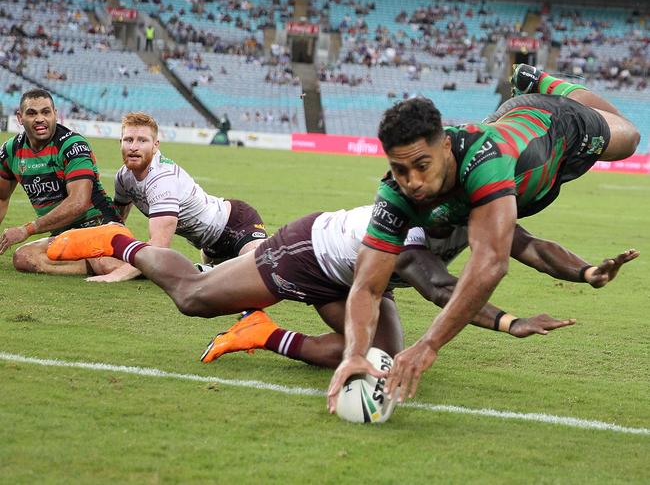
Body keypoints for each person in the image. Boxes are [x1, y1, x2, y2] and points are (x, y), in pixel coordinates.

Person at [325, 63, 641, 411]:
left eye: (421, 166)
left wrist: (428, 344)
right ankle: (535, 88)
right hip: (519, 145)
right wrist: (353, 354)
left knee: (629, 137)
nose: (412, 181)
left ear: (445, 146)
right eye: (400, 169)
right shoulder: (394, 194)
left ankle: (547, 84)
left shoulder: (486, 162)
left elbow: (491, 263)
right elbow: (368, 286)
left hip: (556, 126)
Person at [46, 203, 633, 368]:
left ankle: (263, 335)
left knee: (382, 360)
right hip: (307, 252)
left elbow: (531, 248)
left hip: (358, 279)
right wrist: (510, 322)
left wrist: (584, 272)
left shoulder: (484, 212)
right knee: (192, 298)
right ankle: (114, 241)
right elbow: (438, 289)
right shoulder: (409, 235)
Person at [84, 112, 268, 283]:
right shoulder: (124, 177)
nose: (133, 147)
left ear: (156, 145)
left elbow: (159, 246)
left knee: (263, 270)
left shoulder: (163, 180)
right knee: (223, 277)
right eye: (128, 140)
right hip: (210, 244)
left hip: (237, 224)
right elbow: (118, 220)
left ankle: (268, 246)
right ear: (120, 142)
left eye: (142, 140)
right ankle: (208, 268)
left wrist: (116, 275)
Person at [0, 88, 124, 275]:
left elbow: (79, 203)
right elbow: (1, 197)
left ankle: (115, 261)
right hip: (63, 234)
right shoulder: (11, 150)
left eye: (46, 112)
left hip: (98, 225)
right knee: (23, 257)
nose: (40, 118)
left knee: (103, 262)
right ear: (19, 117)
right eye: (32, 113)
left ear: (55, 114)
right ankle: (102, 261)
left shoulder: (72, 145)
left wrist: (27, 230)